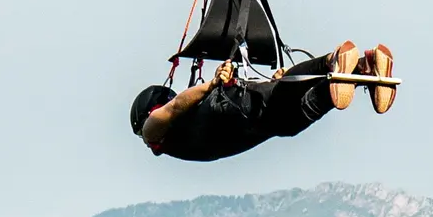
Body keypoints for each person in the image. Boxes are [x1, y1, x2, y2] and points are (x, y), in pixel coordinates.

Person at [129, 41, 394, 162]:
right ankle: (362, 68)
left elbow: (175, 106)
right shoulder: (169, 132)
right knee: (290, 117)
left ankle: (332, 60)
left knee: (280, 99)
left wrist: (212, 84)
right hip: (251, 124)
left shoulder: (155, 132)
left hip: (235, 111)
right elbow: (176, 106)